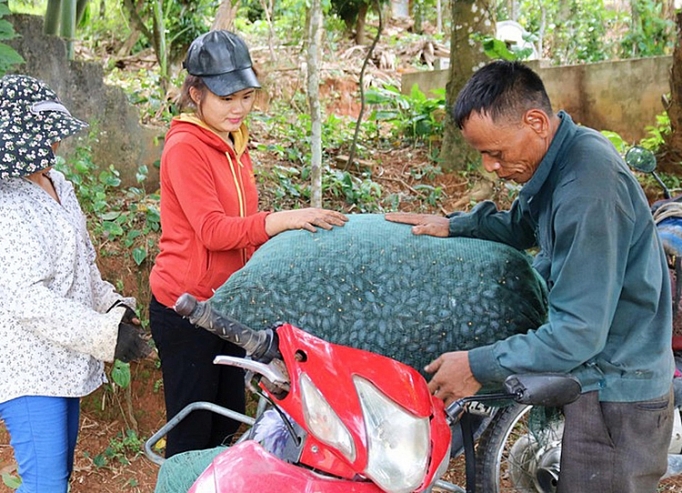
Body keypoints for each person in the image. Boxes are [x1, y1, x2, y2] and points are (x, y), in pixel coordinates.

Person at [386, 60, 674, 492]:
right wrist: (458, 224)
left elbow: (578, 333)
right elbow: (524, 224)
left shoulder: (588, 187)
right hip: (600, 380)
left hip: (617, 396)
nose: (489, 167)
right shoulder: (562, 158)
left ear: (535, 121)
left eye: (495, 153)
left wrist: (478, 365)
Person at [148, 29, 347, 458]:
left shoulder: (232, 143)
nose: (238, 108)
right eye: (226, 98)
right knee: (191, 429)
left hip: (227, 305)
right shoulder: (186, 147)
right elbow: (214, 231)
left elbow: (243, 228)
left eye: (245, 96)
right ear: (195, 92)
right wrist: (281, 220)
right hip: (185, 308)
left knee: (227, 422)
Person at [0, 74, 150, 493]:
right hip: (28, 367)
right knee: (45, 483)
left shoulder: (59, 185)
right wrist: (105, 335)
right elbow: (27, 301)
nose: (55, 146)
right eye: (44, 137)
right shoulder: (6, 203)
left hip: (65, 361)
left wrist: (114, 307)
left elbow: (84, 265)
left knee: (58, 477)